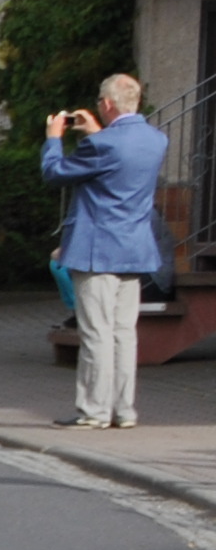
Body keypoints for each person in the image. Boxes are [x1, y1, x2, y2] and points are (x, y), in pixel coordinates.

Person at [44, 74, 169, 430]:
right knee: (123, 334)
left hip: (97, 249)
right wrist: (96, 132)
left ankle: (94, 411)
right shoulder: (156, 140)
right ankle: (124, 410)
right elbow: (117, 164)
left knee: (96, 333)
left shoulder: (103, 145)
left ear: (108, 103)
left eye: (100, 100)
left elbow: (55, 172)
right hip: (134, 248)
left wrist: (53, 138)